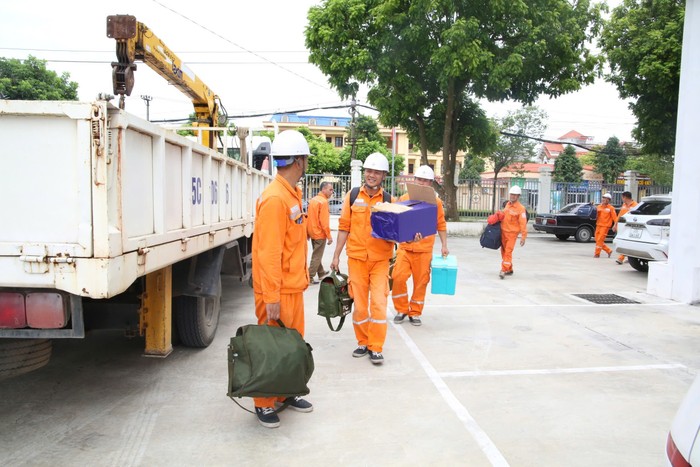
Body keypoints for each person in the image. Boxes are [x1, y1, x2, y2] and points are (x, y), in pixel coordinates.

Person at [250, 129, 313, 428]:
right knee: (270, 349)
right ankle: (263, 402)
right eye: (306, 160)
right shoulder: (275, 199)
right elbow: (269, 253)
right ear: (299, 161)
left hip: (292, 287)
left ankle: (286, 392)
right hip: (277, 291)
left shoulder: (292, 194)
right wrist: (271, 296)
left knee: (291, 347)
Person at [330, 152, 394, 365]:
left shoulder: (388, 201)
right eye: (369, 171)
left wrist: (413, 236)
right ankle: (362, 342)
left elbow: (398, 232)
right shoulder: (352, 196)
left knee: (378, 303)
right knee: (359, 306)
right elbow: (344, 227)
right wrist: (336, 255)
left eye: (376, 172)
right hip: (356, 259)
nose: (371, 175)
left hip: (380, 260)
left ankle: (376, 347)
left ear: (383, 175)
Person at [392, 165, 448, 326]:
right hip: (405, 248)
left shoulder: (435, 202)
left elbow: (441, 224)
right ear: (414, 180)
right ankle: (401, 309)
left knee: (421, 282)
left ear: (431, 183)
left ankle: (415, 312)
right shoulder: (403, 199)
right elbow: (395, 221)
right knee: (398, 277)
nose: (422, 183)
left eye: (426, 181)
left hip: (424, 251)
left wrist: (444, 245)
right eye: (420, 180)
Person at [307, 181, 334, 283]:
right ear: (323, 189)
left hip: (313, 232)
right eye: (330, 189)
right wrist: (329, 236)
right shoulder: (323, 202)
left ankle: (321, 272)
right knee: (317, 256)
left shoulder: (313, 200)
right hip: (319, 233)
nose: (332, 192)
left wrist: (308, 232)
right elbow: (324, 222)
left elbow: (309, 218)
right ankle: (309, 276)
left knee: (317, 254)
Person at [499, 186, 528, 279]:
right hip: (503, 232)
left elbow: (523, 223)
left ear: (518, 196)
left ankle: (503, 270)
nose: (512, 196)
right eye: (511, 194)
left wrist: (523, 236)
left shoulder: (521, 209)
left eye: (515, 195)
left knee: (508, 251)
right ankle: (509, 268)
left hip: (512, 234)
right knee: (503, 252)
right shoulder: (507, 205)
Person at [614, 191, 638, 264]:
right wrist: (615, 224)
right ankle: (629, 256)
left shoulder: (635, 205)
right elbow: (619, 215)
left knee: (626, 242)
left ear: (625, 197)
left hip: (631, 227)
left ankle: (621, 258)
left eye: (622, 197)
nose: (622, 199)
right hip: (623, 226)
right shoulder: (624, 205)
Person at [594, 192, 618, 258]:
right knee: (597, 239)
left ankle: (597, 254)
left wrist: (615, 225)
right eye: (603, 198)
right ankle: (608, 250)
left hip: (605, 226)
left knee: (600, 240)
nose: (604, 199)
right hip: (598, 225)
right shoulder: (598, 207)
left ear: (609, 200)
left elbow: (615, 218)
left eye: (606, 199)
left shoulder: (611, 208)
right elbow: (596, 216)